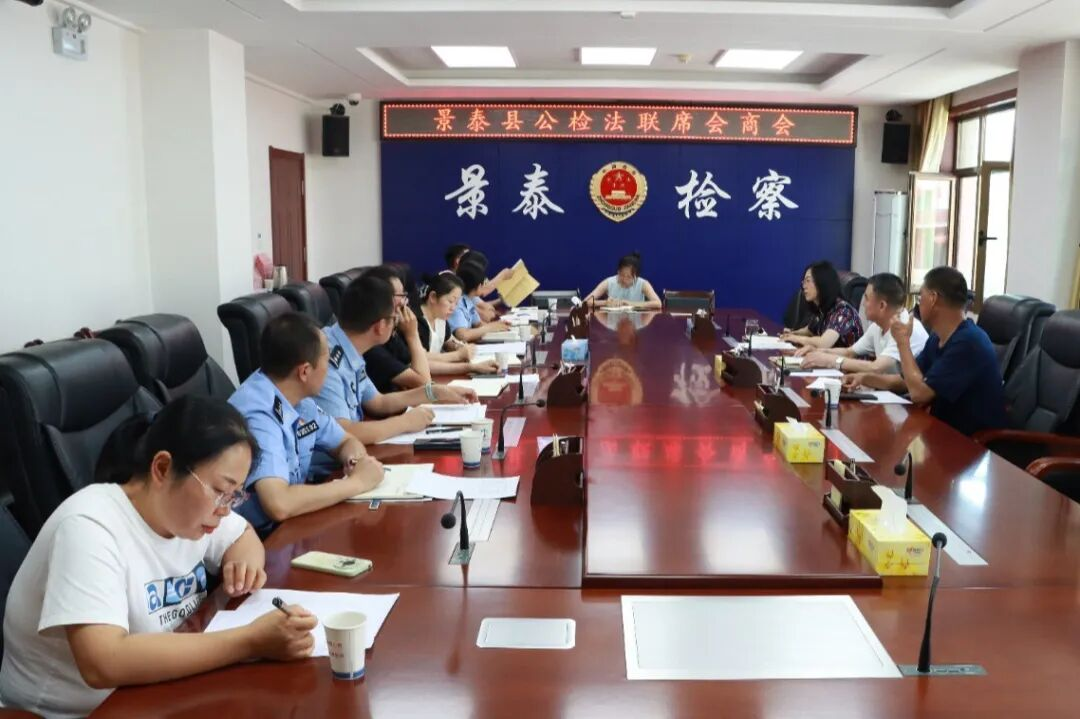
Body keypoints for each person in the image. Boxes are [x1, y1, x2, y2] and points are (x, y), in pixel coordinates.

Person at [0, 397, 318, 719]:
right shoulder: (88, 526)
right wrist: (250, 642)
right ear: (163, 468)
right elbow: (103, 661)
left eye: (234, 496)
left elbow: (242, 535)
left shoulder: (189, 513)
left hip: (158, 691)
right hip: (76, 711)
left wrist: (243, 563)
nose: (225, 510)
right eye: (221, 491)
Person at [229, 312, 382, 536]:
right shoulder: (259, 414)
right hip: (257, 538)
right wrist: (357, 483)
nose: (329, 369)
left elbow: (346, 441)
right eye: (326, 361)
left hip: (291, 525)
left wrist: (355, 461)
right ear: (304, 371)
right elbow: (278, 504)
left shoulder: (299, 399)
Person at [844, 266, 1008, 436]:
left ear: (933, 298)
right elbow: (905, 382)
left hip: (971, 441)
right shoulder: (937, 338)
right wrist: (864, 378)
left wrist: (903, 343)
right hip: (941, 431)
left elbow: (919, 394)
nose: (918, 304)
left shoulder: (968, 342)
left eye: (920, 297)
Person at [317, 274, 478, 445]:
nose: (398, 322)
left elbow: (378, 402)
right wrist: (405, 423)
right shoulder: (324, 358)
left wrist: (435, 392)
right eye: (394, 318)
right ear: (380, 326)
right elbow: (341, 432)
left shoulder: (351, 347)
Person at [797, 273, 928, 374]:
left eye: (866, 298)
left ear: (882, 305)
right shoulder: (877, 326)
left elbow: (876, 367)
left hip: (907, 398)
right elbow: (849, 352)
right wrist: (818, 351)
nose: (863, 304)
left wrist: (831, 361)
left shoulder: (905, 328)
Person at [359, 265, 432, 393]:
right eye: (401, 295)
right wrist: (412, 334)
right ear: (382, 298)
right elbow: (425, 385)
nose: (405, 302)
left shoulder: (390, 334)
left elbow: (414, 364)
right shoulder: (371, 346)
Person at [418, 272, 499, 375]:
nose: (453, 308)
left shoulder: (440, 318)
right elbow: (420, 358)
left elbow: (449, 341)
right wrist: (458, 355)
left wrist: (459, 347)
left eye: (456, 303)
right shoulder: (416, 321)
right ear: (433, 297)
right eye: (450, 301)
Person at [781, 261, 864, 349]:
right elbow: (809, 330)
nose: (804, 286)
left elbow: (823, 343)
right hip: (828, 356)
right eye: (803, 282)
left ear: (822, 282)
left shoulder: (843, 311)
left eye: (808, 281)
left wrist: (796, 338)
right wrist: (792, 333)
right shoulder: (822, 309)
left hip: (847, 357)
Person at [448, 261, 513, 342]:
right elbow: (462, 335)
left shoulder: (468, 301)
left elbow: (478, 324)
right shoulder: (457, 303)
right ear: (479, 286)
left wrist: (498, 325)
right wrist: (489, 328)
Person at [583, 252, 662, 309]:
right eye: (621, 275)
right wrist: (605, 302)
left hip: (635, 322)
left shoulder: (643, 284)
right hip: (614, 322)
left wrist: (630, 303)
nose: (624, 279)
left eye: (629, 277)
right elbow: (585, 302)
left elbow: (658, 303)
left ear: (636, 277)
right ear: (618, 271)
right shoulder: (609, 282)